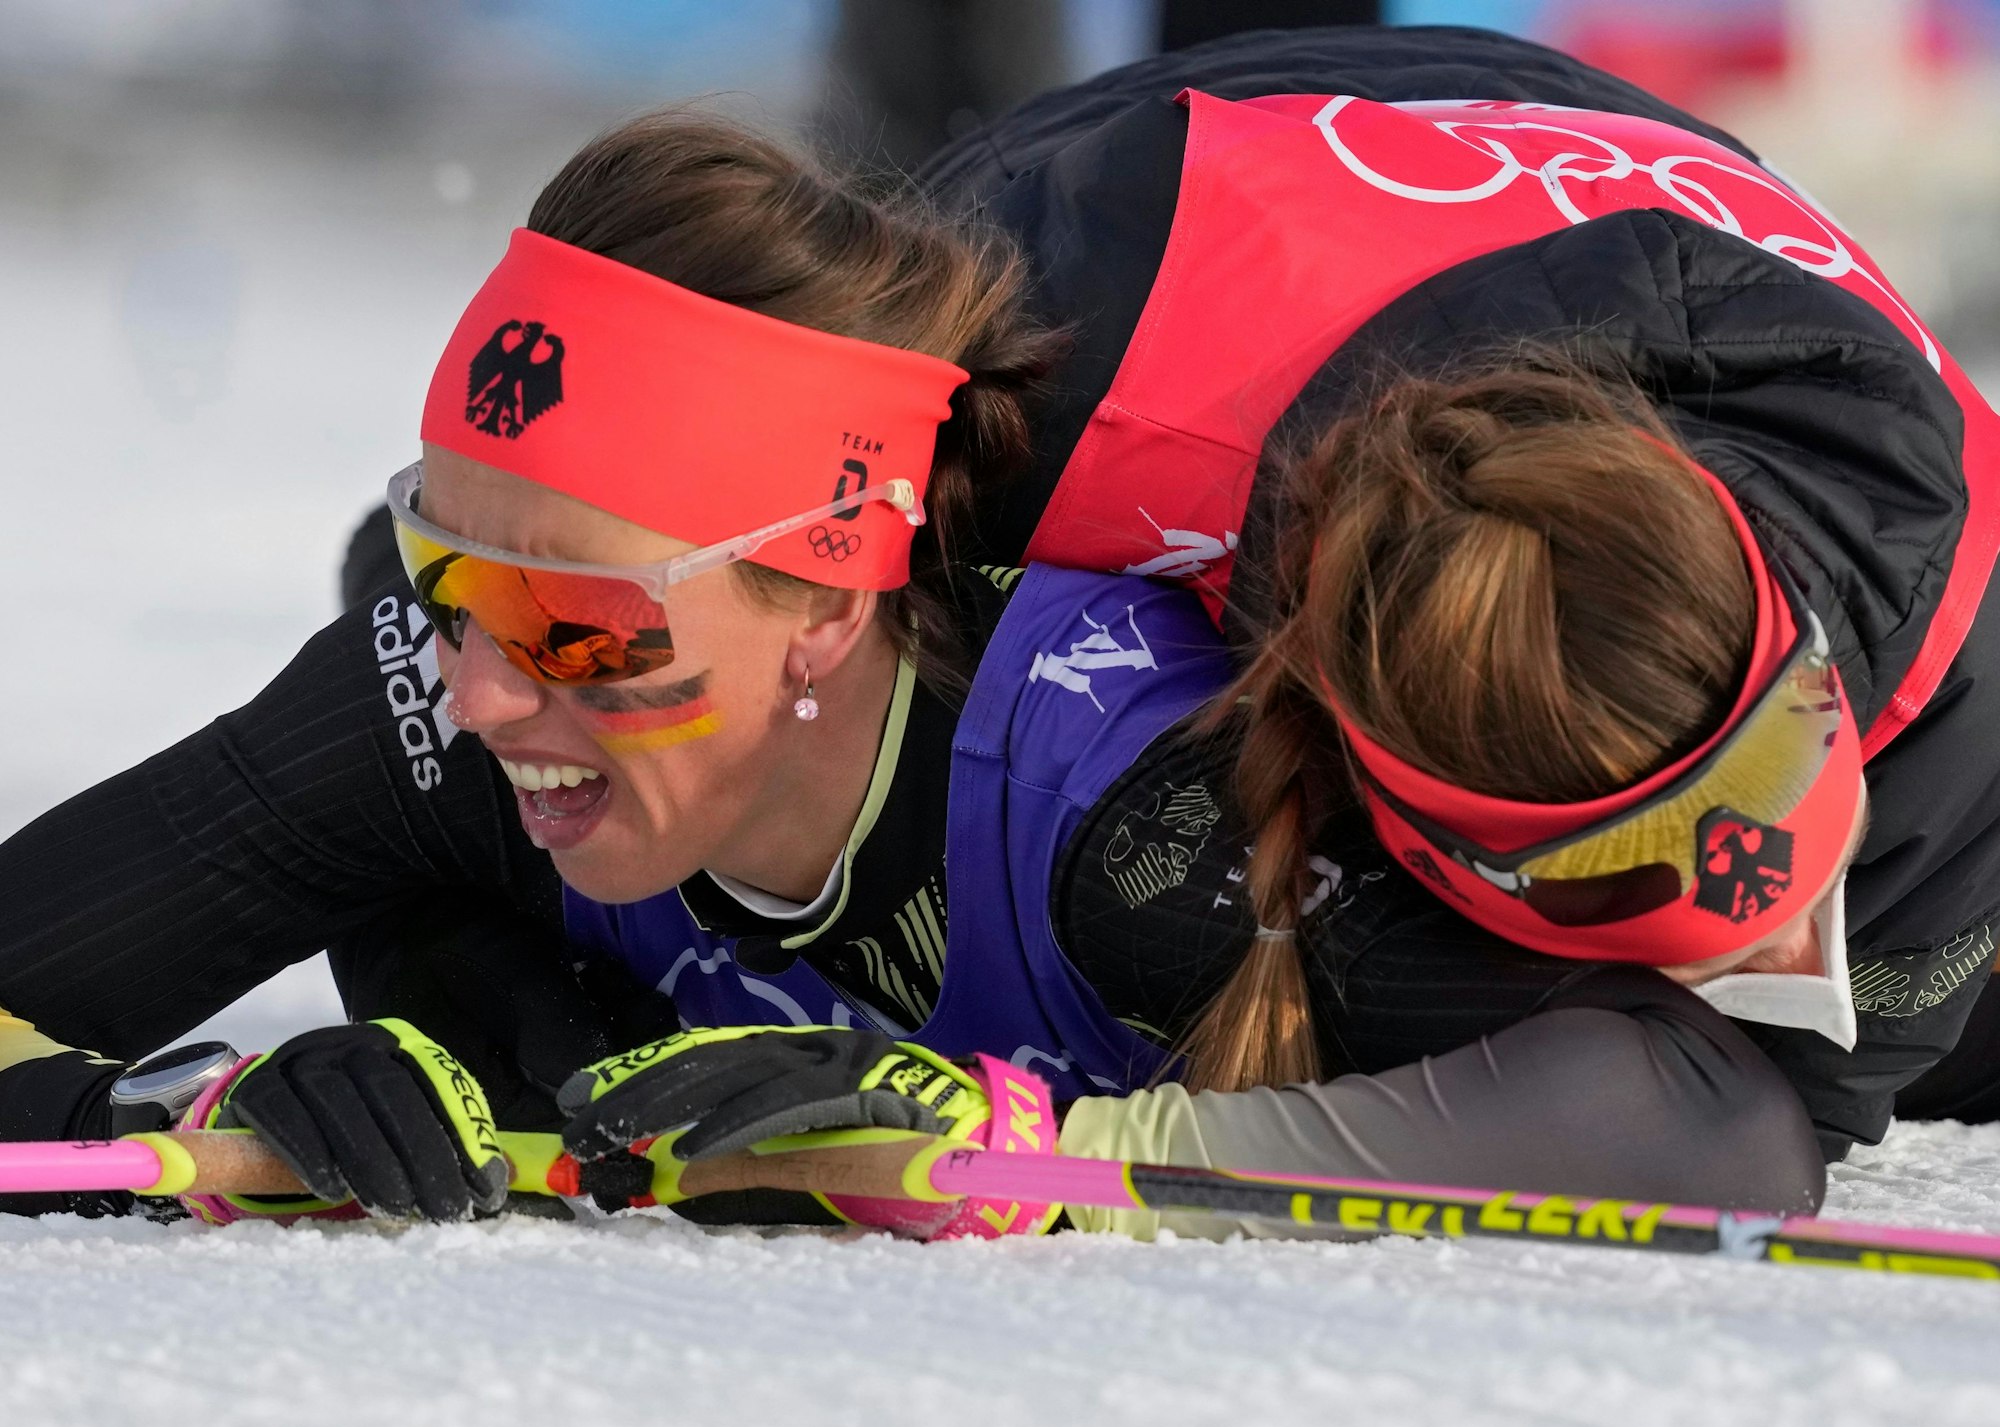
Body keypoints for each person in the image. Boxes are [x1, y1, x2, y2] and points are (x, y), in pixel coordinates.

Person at [1, 26, 1992, 1231]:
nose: (485, 683)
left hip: (1432, 294)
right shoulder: (960, 432)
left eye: (589, 635)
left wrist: (1057, 1146)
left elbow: (1728, 1114)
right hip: (1251, 206)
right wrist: (195, 1112)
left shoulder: (1164, 783)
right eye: (458, 590)